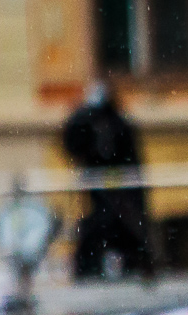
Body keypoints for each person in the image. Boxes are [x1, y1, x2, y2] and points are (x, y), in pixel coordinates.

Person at [61, 78, 153, 279]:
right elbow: (73, 141)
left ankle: (135, 267)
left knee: (125, 229)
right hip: (100, 191)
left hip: (123, 191)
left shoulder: (119, 125)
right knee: (99, 228)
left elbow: (125, 157)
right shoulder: (90, 121)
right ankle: (91, 270)